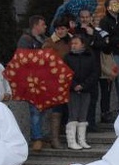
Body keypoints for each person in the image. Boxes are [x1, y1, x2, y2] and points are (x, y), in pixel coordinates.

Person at [16, 15, 49, 151]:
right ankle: (36, 139)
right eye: (43, 24)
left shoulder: (44, 40)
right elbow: (23, 60)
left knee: (42, 110)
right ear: (35, 25)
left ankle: (40, 136)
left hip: (42, 79)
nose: (45, 26)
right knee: (35, 110)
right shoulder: (26, 40)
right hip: (31, 80)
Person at [64, 33, 99, 150]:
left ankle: (82, 140)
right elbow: (65, 74)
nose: (73, 46)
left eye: (76, 43)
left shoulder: (90, 56)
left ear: (83, 44)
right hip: (72, 90)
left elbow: (94, 73)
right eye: (72, 43)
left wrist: (83, 85)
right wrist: (74, 85)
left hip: (86, 89)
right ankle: (71, 141)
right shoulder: (68, 57)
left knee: (83, 114)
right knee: (73, 114)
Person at [42, 17, 73, 149]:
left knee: (68, 108)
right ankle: (54, 138)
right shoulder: (49, 42)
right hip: (55, 79)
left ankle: (63, 134)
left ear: (67, 29)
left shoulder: (72, 40)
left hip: (70, 78)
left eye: (62, 28)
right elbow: (45, 60)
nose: (60, 31)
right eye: (58, 29)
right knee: (57, 107)